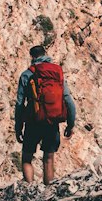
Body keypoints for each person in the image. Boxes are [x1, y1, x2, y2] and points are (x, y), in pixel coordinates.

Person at [15, 42, 76, 184]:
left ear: (32, 57)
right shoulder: (57, 72)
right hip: (52, 121)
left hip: (33, 121)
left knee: (26, 158)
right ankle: (48, 191)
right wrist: (70, 124)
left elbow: (19, 103)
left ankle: (29, 190)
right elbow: (68, 100)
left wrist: (18, 127)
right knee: (48, 158)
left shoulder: (27, 75)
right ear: (45, 54)